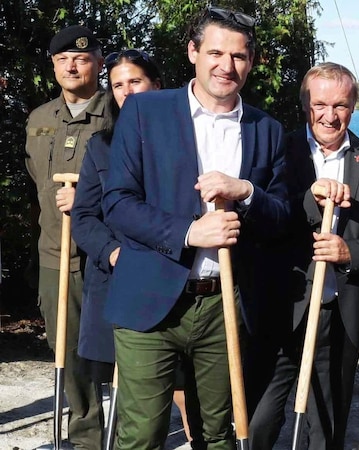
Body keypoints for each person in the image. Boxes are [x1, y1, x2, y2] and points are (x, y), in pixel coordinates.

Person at [101, 7, 289, 449]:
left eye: (239, 56)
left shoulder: (268, 129)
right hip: (149, 301)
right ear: (193, 52)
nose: (227, 66)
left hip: (224, 306)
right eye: (216, 53)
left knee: (217, 435)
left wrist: (247, 191)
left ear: (251, 61)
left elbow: (281, 216)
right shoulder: (146, 111)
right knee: (142, 435)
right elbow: (118, 203)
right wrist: (190, 232)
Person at [246, 62, 359, 449]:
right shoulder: (280, 151)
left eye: (341, 105)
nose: (330, 116)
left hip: (338, 311)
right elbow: (264, 215)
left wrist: (350, 251)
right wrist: (309, 203)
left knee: (327, 423)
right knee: (259, 417)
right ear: (305, 105)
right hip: (282, 305)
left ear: (352, 106)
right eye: (320, 104)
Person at [69, 48, 196, 444]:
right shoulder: (101, 146)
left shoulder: (187, 140)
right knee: (133, 403)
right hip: (120, 280)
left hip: (177, 279)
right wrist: (113, 253)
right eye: (118, 85)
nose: (127, 92)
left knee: (185, 392)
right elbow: (85, 217)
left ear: (156, 86)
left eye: (135, 82)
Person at [24, 24, 109, 449]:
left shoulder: (121, 114)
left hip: (108, 256)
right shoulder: (40, 118)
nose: (72, 65)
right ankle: (87, 438)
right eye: (62, 59)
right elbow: (36, 177)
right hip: (56, 254)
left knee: (125, 350)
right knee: (68, 353)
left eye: (81, 57)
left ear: (98, 62)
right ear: (54, 66)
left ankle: (131, 434)